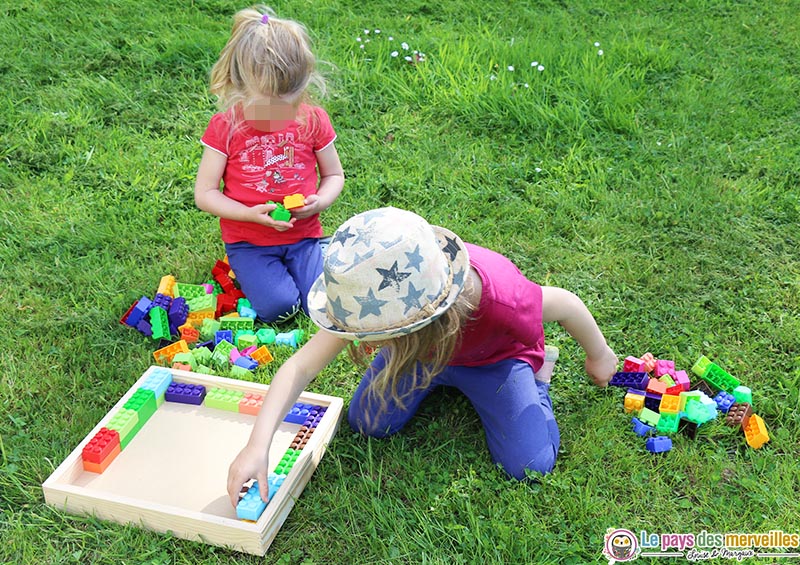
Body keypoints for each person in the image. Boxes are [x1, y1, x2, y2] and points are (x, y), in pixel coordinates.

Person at [227, 207, 618, 505]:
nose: (362, 342)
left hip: (495, 361)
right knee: (367, 423)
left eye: (373, 337)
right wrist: (257, 446)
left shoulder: (501, 299)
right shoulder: (365, 301)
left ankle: (539, 380)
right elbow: (300, 366)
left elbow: (566, 304)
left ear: (406, 328)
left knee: (529, 465)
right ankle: (434, 375)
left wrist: (599, 355)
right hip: (420, 357)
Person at [195, 6, 344, 323]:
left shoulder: (313, 119)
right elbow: (205, 193)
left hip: (304, 238)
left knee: (322, 306)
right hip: (250, 244)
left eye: (287, 106)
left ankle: (325, 249)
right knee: (281, 309)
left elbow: (333, 175)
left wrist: (322, 200)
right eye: (267, 107)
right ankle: (272, 273)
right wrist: (248, 214)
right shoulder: (226, 126)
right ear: (240, 85)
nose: (277, 117)